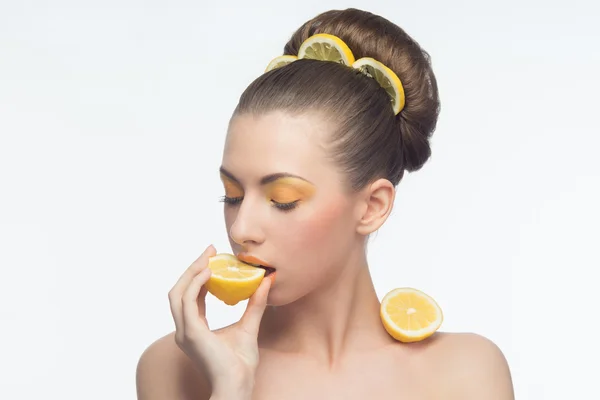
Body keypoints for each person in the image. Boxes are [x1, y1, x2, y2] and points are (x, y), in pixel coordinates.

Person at [136, 8, 514, 400]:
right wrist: (231, 386)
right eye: (232, 195)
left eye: (283, 200)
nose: (240, 229)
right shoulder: (176, 367)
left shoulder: (463, 372)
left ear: (372, 206)